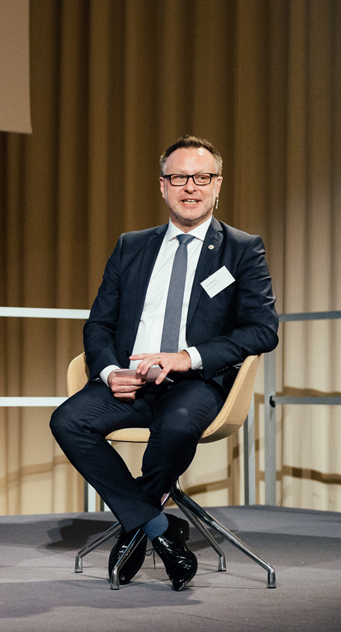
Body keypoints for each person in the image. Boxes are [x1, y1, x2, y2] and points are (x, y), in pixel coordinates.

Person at [50, 136, 279, 591]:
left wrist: (186, 358)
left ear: (218, 186)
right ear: (162, 186)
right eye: (179, 177)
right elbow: (98, 325)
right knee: (68, 420)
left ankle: (138, 524)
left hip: (195, 383)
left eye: (202, 177)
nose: (190, 187)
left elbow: (262, 330)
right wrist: (111, 372)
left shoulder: (241, 249)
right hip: (130, 382)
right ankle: (155, 526)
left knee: (175, 426)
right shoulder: (131, 246)